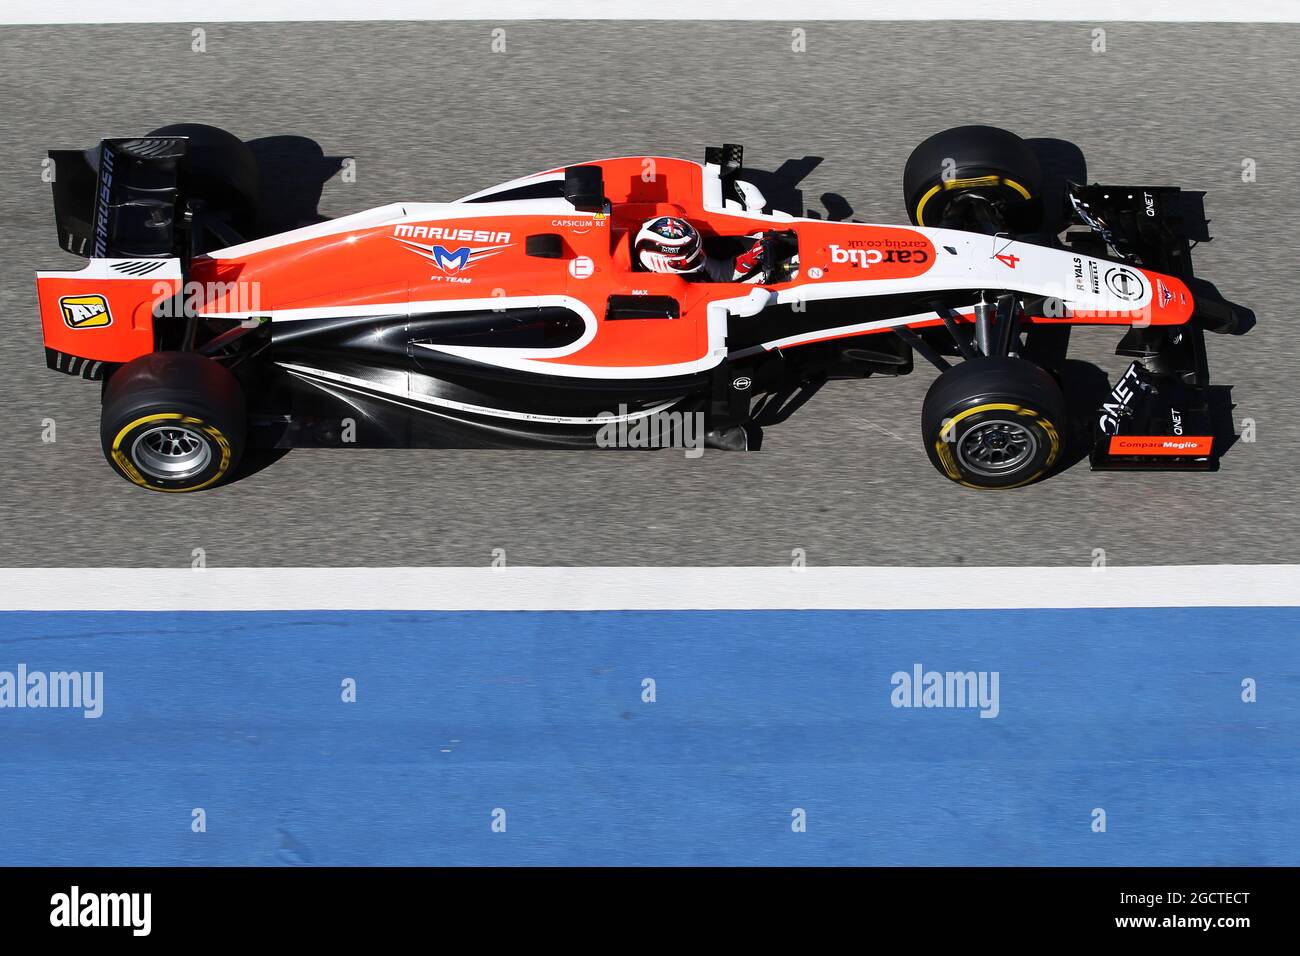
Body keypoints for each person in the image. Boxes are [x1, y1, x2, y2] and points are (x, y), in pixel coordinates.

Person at [633, 216, 769, 283]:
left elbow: (721, 273)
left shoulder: (693, 261)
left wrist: (749, 259)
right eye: (693, 256)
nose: (700, 257)